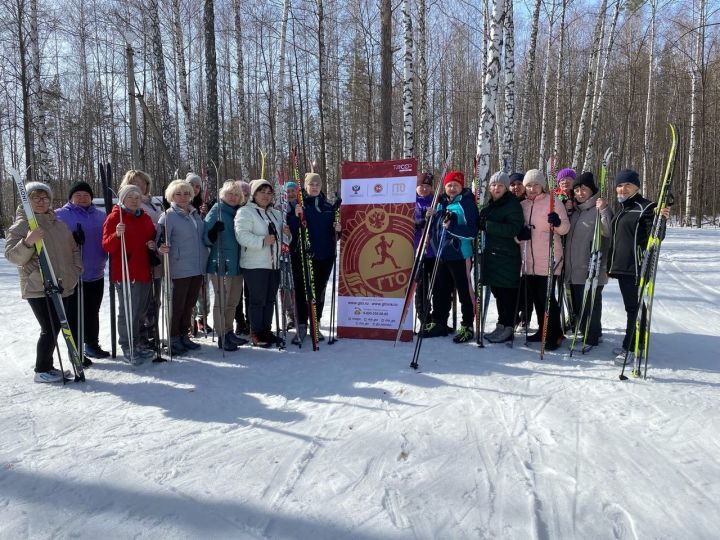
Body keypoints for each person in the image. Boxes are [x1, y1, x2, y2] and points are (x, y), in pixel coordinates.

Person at [5, 182, 82, 383]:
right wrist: (28, 242)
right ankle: (41, 369)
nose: (41, 202)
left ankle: (48, 365)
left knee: (58, 326)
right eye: (36, 198)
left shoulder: (58, 223)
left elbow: (73, 250)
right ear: (27, 200)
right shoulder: (21, 225)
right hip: (38, 286)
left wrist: (75, 271)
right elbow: (13, 257)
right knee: (49, 327)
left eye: (45, 198)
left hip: (63, 283)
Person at [607, 168, 669, 364]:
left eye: (627, 185)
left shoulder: (647, 207)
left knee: (634, 309)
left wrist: (662, 218)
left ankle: (632, 348)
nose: (622, 189)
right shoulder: (624, 208)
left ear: (637, 187)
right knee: (632, 308)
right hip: (623, 268)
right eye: (619, 185)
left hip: (636, 267)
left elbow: (657, 236)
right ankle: (633, 344)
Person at [421, 170, 479, 343]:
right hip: (441, 254)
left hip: (460, 255)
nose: (452, 188)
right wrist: (429, 219)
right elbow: (435, 229)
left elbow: (472, 232)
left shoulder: (466, 204)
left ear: (461, 187)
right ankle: (439, 322)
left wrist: (452, 227)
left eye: (456, 185)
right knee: (440, 290)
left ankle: (467, 325)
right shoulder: (440, 203)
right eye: (449, 185)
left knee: (464, 291)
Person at [102, 185, 158, 364]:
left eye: (137, 196)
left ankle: (137, 343)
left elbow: (152, 236)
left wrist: (152, 244)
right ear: (123, 199)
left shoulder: (145, 217)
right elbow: (107, 246)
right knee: (128, 312)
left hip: (143, 270)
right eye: (130, 197)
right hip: (125, 272)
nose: (134, 200)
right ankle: (127, 345)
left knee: (140, 311)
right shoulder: (115, 217)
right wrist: (116, 236)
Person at [55, 181, 108, 363]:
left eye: (86, 195)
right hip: (73, 274)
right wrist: (71, 239)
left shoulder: (101, 216)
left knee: (92, 311)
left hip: (96, 272)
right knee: (74, 315)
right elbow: (54, 240)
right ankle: (75, 352)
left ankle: (92, 345)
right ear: (71, 198)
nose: (82, 198)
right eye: (78, 195)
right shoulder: (60, 215)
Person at [519, 169, 570, 350]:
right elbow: (518, 232)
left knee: (547, 298)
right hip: (529, 261)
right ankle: (543, 330)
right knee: (537, 299)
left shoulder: (553, 202)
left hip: (549, 258)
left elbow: (565, 228)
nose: (532, 189)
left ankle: (554, 334)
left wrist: (557, 222)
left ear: (543, 186)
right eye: (529, 185)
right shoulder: (523, 205)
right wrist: (520, 235)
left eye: (536, 185)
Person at [286, 172, 340, 344]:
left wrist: (337, 229)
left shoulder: (328, 207)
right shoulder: (298, 205)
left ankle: (315, 324)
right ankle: (301, 325)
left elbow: (334, 235)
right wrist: (295, 216)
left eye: (317, 184)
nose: (315, 187)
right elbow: (292, 232)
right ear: (306, 186)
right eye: (311, 184)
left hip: (325, 256)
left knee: (319, 292)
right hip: (302, 256)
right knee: (302, 292)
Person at [158, 179, 209, 354]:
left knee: (189, 305)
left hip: (197, 266)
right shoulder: (168, 216)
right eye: (178, 194)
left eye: (186, 193)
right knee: (177, 305)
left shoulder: (194, 214)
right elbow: (161, 240)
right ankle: (173, 337)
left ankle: (183, 334)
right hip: (179, 267)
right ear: (171, 196)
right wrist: (161, 247)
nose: (183, 197)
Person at [235, 179, 289, 347]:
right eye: (261, 192)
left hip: (274, 264)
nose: (266, 196)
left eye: (269, 192)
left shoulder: (275, 213)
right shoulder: (245, 212)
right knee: (257, 300)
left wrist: (287, 234)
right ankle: (256, 332)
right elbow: (242, 236)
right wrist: (262, 241)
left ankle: (266, 330)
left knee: (270, 299)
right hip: (254, 264)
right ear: (254, 194)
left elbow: (283, 240)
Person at [564, 172, 613, 349]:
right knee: (580, 305)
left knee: (591, 305)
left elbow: (608, 231)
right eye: (576, 190)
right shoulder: (576, 211)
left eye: (584, 189)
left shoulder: (599, 209)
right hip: (574, 267)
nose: (580, 193)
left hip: (591, 267)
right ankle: (590, 333)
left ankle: (591, 338)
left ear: (592, 190)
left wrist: (605, 210)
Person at [119, 169, 163, 348]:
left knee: (154, 300)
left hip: (155, 256)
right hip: (139, 260)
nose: (140, 187)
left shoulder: (153, 204)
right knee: (140, 303)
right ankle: (139, 337)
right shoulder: (128, 205)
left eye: (143, 183)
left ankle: (152, 334)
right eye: (136, 183)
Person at [479, 172, 524, 343]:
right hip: (493, 257)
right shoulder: (492, 205)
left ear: (506, 188)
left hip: (507, 257)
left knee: (507, 294)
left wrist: (488, 225)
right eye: (493, 185)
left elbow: (513, 229)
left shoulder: (512, 205)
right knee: (498, 293)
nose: (496, 188)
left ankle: (508, 326)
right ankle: (501, 324)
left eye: (500, 186)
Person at [204, 181, 249, 351]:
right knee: (222, 300)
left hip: (237, 263)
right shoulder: (217, 210)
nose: (233, 197)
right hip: (221, 263)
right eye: (230, 194)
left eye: (237, 194)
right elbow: (205, 237)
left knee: (233, 300)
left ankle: (229, 331)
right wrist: (213, 232)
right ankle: (222, 334)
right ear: (223, 195)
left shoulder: (238, 212)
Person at [186, 172, 211, 334]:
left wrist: (205, 214)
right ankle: (189, 320)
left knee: (203, 288)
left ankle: (203, 318)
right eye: (192, 185)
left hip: (202, 252)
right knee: (189, 290)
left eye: (197, 187)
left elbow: (205, 229)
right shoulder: (180, 203)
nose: (195, 189)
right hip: (187, 255)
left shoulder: (202, 205)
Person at [414, 172, 436, 325]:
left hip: (435, 251)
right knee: (421, 286)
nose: (424, 189)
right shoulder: (409, 201)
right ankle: (424, 318)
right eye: (421, 185)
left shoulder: (437, 201)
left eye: (427, 186)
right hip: (417, 250)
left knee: (437, 286)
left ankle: (437, 318)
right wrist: (419, 222)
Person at [233, 180, 252, 336]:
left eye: (246, 194)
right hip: (235, 256)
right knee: (237, 293)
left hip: (250, 256)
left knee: (250, 291)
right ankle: (240, 321)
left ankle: (251, 320)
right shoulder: (230, 209)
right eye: (241, 194)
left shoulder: (252, 208)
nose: (244, 197)